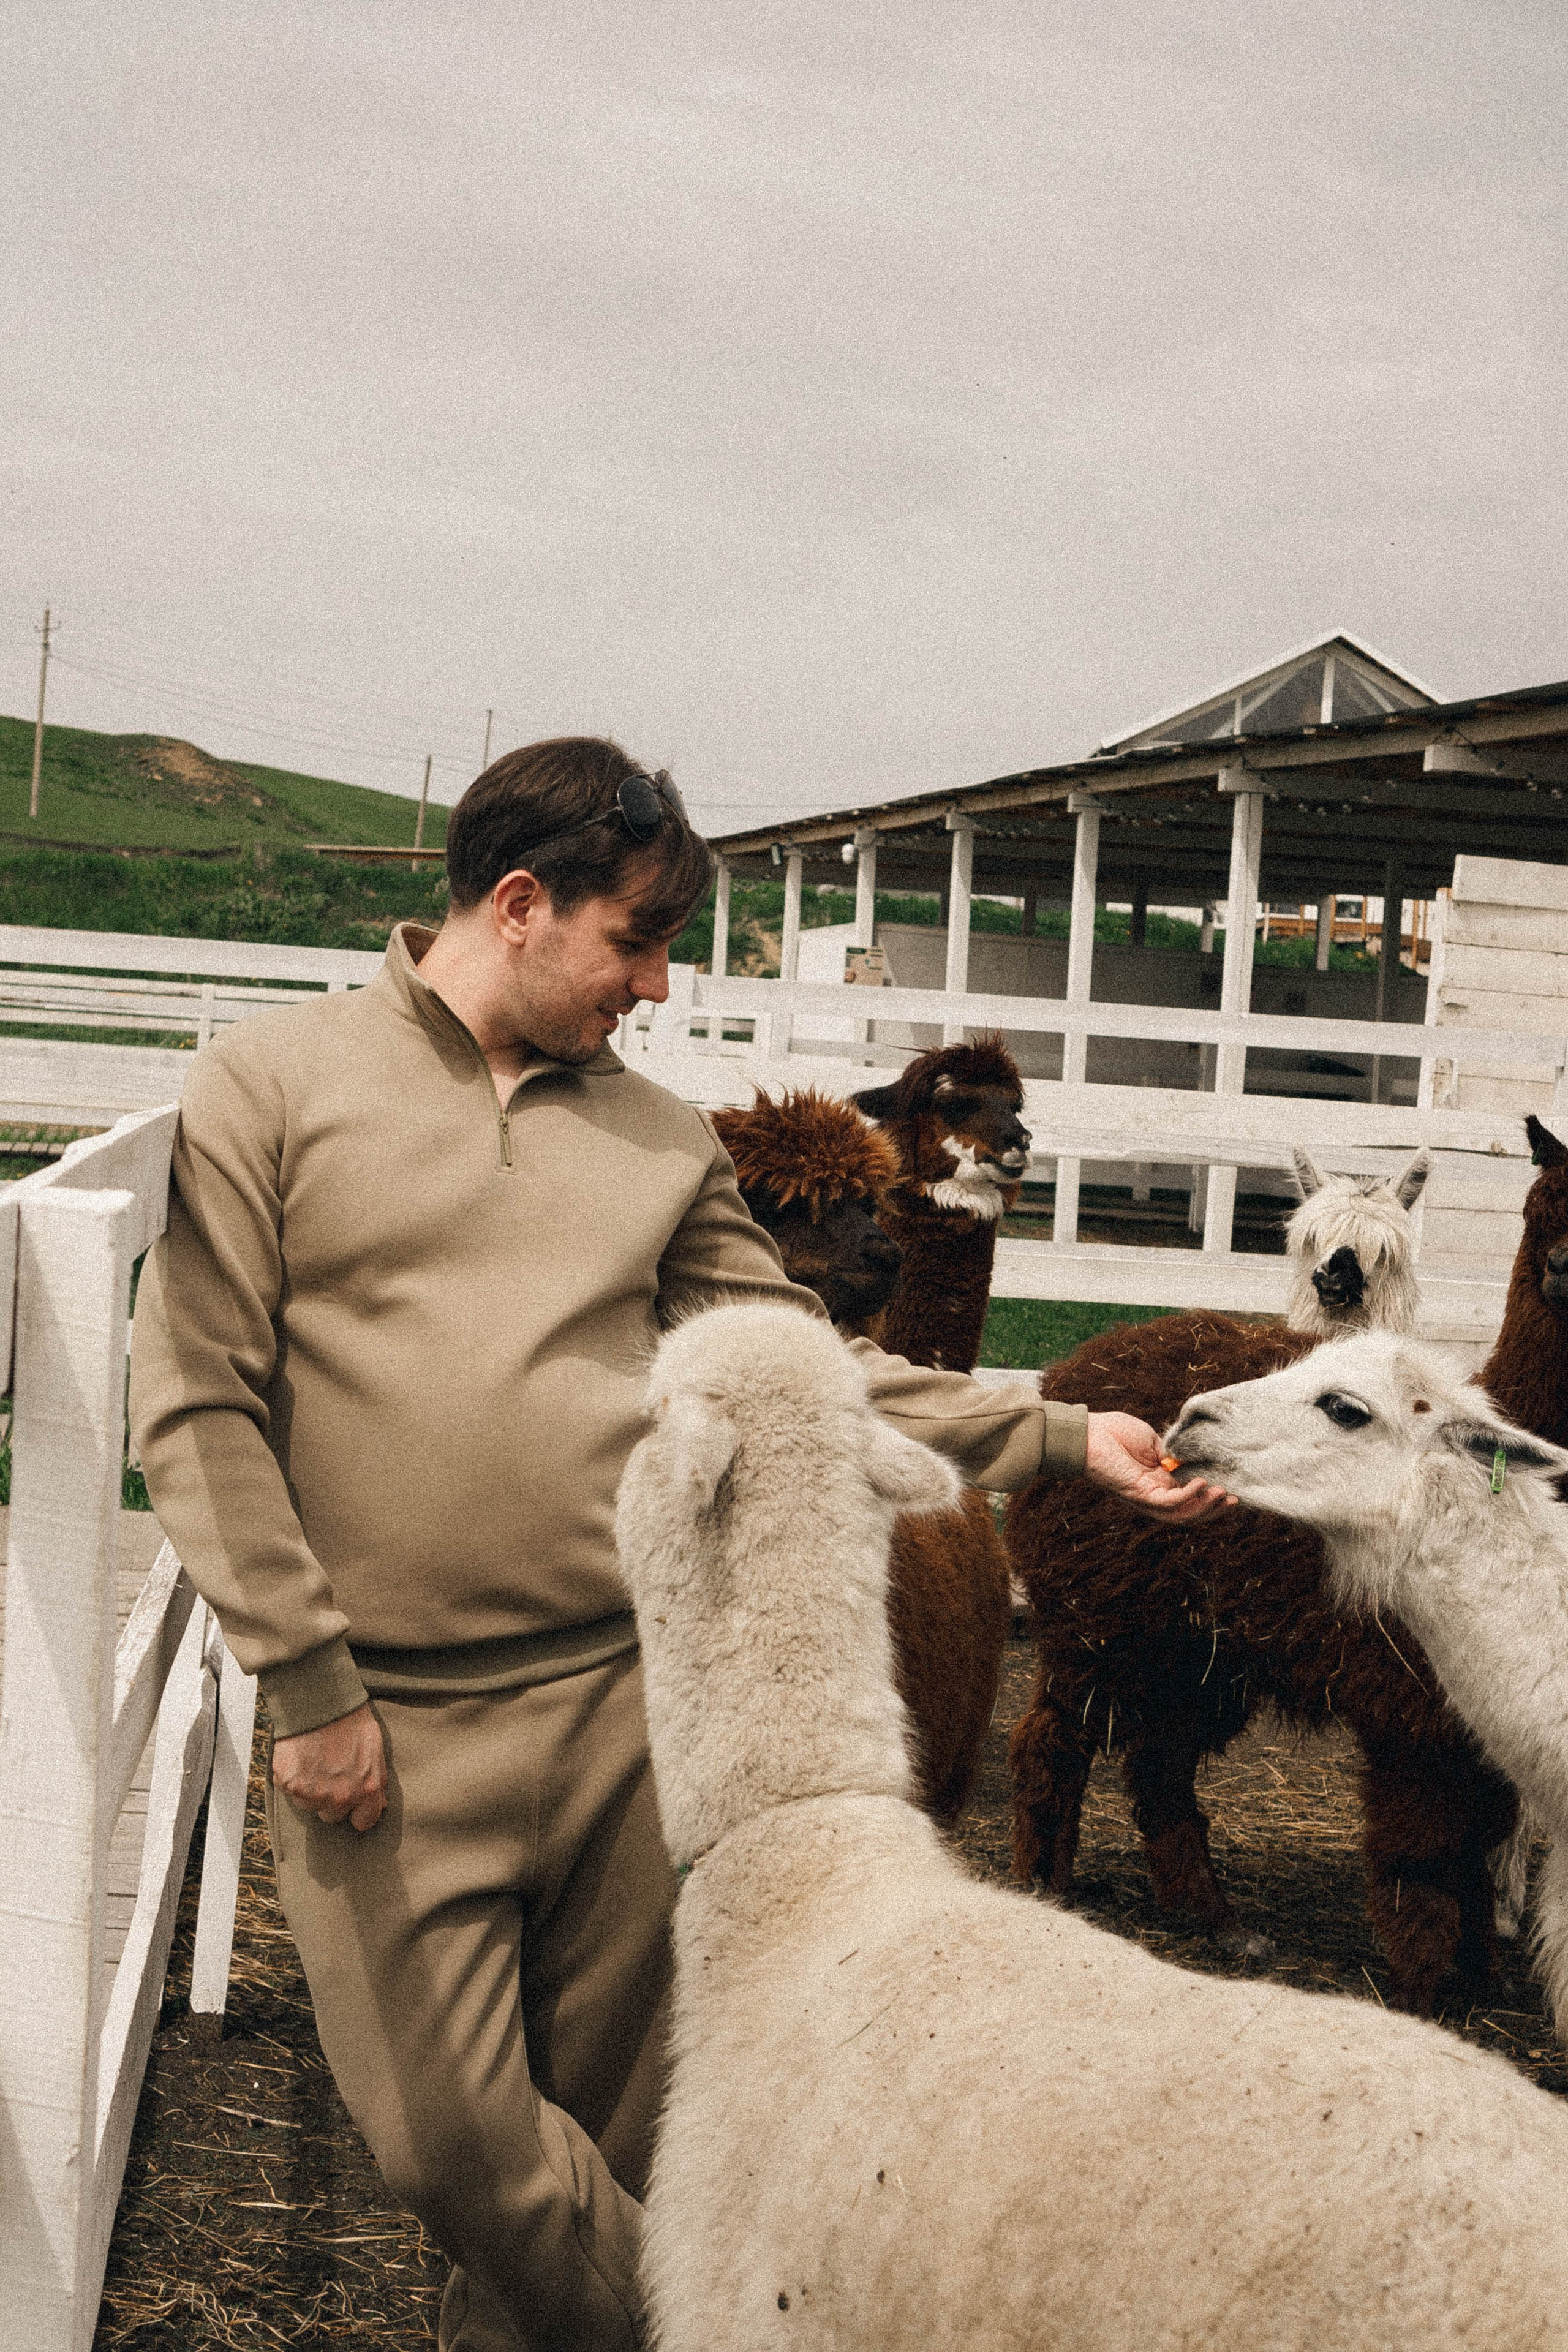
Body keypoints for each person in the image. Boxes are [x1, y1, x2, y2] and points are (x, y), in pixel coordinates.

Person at [129, 737, 1228, 2352]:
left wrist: (1063, 1438)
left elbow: (806, 1369)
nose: (654, 982)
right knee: (459, 2155)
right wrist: (308, 1684)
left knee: (620, 2146)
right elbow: (197, 1406)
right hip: (383, 1728)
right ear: (521, 904)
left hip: (628, 1714)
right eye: (634, 940)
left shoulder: (657, 1142)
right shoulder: (272, 1091)